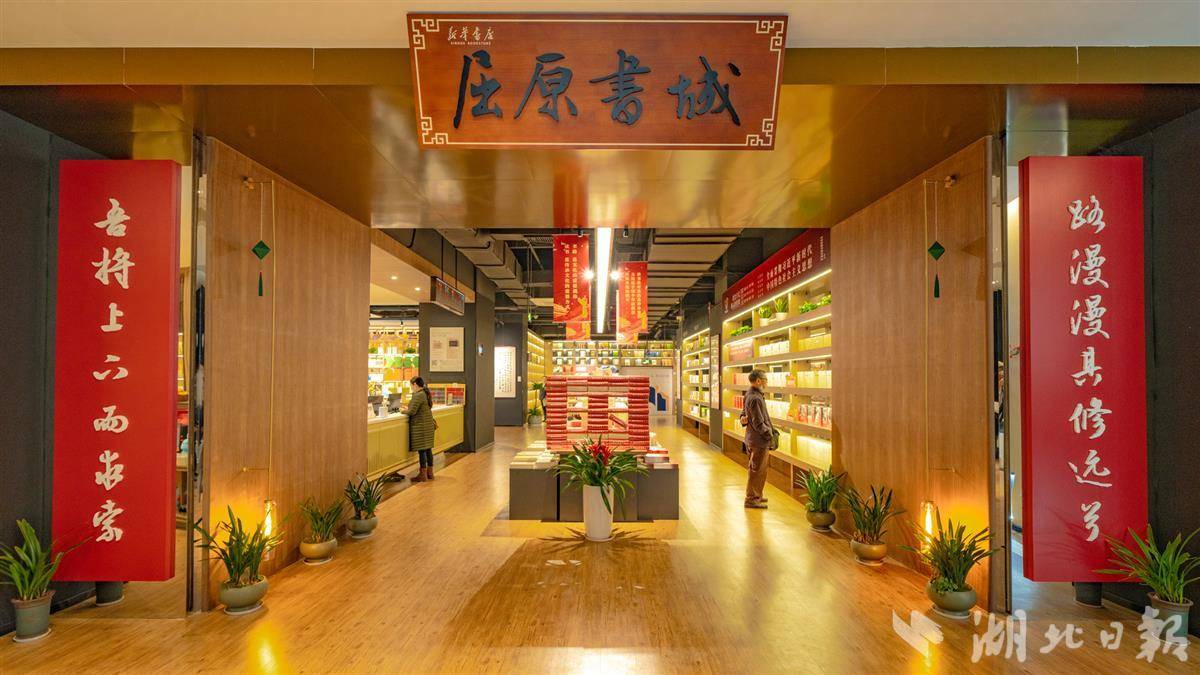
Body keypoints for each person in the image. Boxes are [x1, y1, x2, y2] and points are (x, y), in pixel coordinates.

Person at [739, 369, 775, 509]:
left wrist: (742, 418)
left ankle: (757, 495)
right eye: (765, 380)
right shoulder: (755, 398)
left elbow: (744, 414)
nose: (766, 383)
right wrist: (769, 435)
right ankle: (752, 499)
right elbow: (759, 422)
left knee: (758, 470)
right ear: (758, 381)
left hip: (752, 439)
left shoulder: (750, 394)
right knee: (757, 470)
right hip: (758, 440)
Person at [407, 377, 438, 482]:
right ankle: (430, 473)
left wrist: (402, 411)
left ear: (415, 384)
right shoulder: (425, 393)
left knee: (422, 451)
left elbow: (411, 411)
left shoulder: (418, 395)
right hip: (428, 425)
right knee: (428, 449)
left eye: (411, 386)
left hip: (421, 426)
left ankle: (423, 475)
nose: (411, 388)